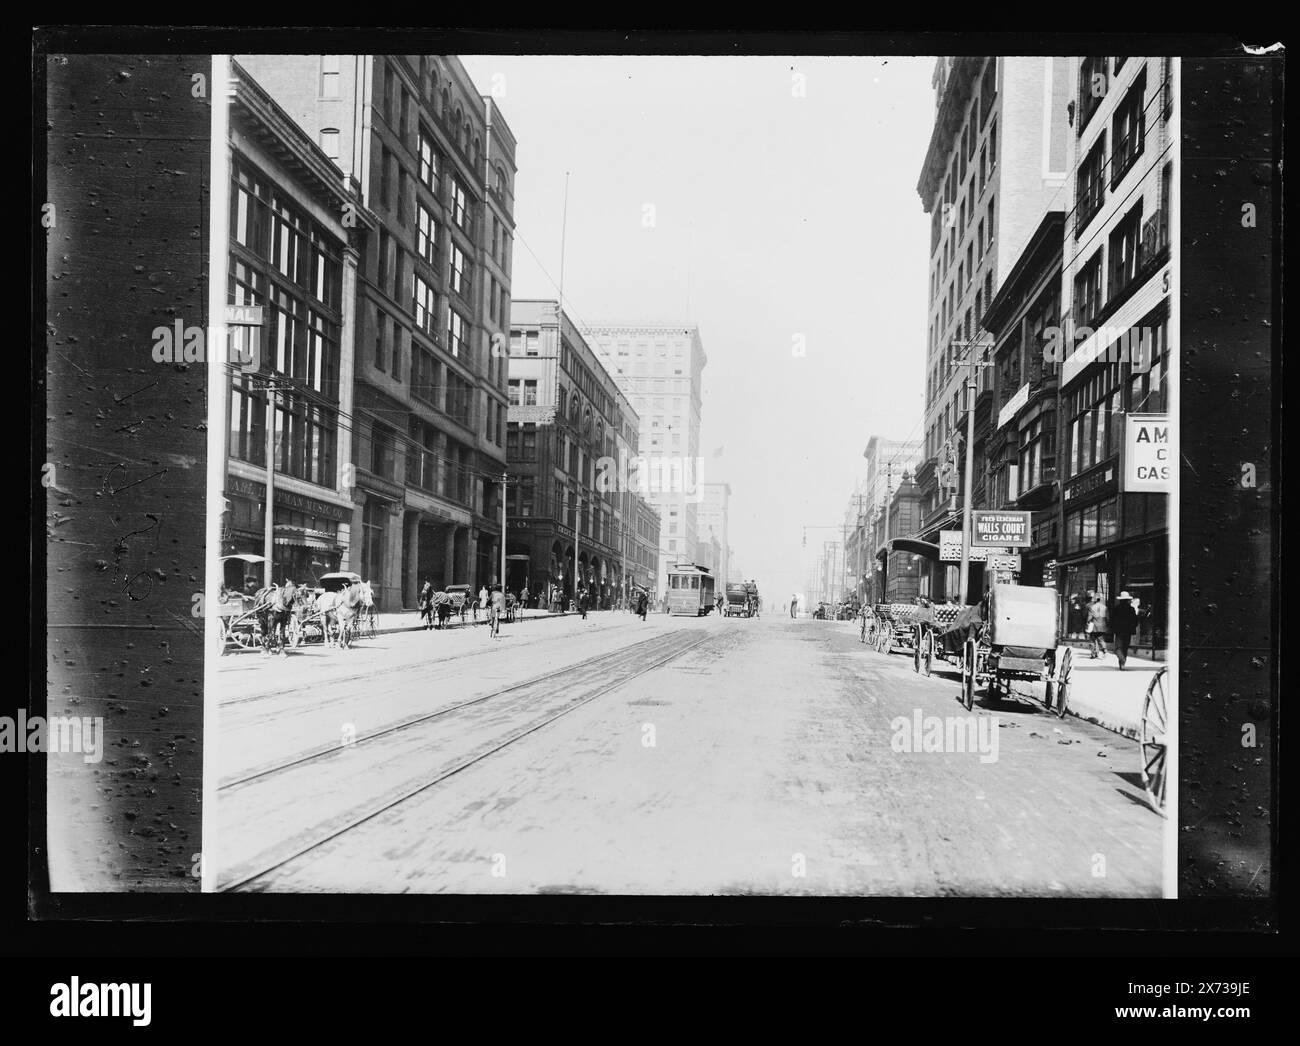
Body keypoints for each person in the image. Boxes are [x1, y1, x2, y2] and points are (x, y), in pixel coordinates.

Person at [1111, 591, 1137, 669]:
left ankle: (1122, 660)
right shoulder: (1131, 609)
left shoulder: (1116, 608)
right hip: (1128, 631)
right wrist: (1132, 627)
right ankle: (1122, 663)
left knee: (1118, 648)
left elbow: (1112, 619)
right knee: (1125, 648)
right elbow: (1135, 620)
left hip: (1119, 631)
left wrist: (1113, 628)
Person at [1086, 591, 1109, 659]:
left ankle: (1093, 653)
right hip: (1102, 626)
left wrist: (1087, 623)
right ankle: (1105, 651)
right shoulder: (1104, 607)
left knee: (1092, 640)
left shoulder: (1092, 607)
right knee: (1101, 639)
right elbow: (1108, 618)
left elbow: (1089, 617)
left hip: (1094, 626)